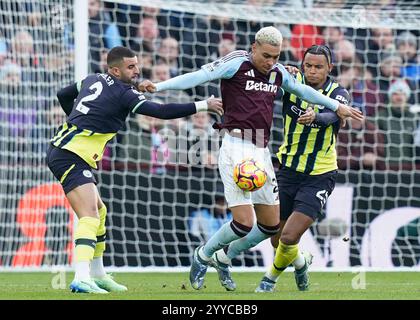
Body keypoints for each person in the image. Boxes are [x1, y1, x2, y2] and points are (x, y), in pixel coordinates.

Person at [139, 27, 363, 292]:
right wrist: (159, 86)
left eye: (276, 57)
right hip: (235, 147)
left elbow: (305, 92)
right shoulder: (236, 63)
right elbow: (197, 76)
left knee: (270, 226)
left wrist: (337, 107)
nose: (271, 62)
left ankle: (225, 258)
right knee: (244, 223)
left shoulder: (278, 73)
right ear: (254, 47)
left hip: (262, 152)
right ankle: (203, 255)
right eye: (266, 56)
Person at [46, 46, 223, 294]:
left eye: (137, 65)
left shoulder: (92, 78)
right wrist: (204, 104)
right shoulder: (123, 93)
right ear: (115, 70)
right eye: (131, 67)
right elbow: (161, 111)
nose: (137, 70)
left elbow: (64, 94)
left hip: (72, 152)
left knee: (100, 211)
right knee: (89, 216)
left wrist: (75, 119)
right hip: (69, 155)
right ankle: (81, 276)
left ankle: (98, 274)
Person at [253, 45, 352, 292]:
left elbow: (333, 115)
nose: (312, 71)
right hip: (287, 171)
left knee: (288, 237)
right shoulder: (291, 80)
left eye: (319, 67)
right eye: (308, 65)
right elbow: (262, 80)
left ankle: (269, 280)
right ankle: (301, 263)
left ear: (330, 67)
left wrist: (316, 118)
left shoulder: (339, 92)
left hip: (319, 175)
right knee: (276, 238)